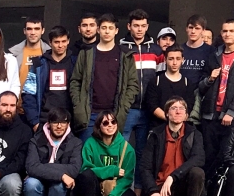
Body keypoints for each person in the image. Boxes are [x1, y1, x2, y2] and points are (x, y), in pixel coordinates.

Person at [195, 17, 234, 196]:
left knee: (229, 159)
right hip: (210, 116)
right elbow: (201, 85)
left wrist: (232, 112)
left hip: (232, 118)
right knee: (210, 159)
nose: (227, 34)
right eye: (224, 31)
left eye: (231, 31)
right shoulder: (214, 55)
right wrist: (210, 78)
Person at [141, 96, 207, 196]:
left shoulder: (194, 134)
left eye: (181, 109)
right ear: (166, 113)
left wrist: (173, 177)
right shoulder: (155, 135)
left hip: (183, 185)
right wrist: (153, 191)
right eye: (174, 108)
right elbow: (145, 167)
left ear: (186, 115)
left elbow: (199, 158)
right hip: (161, 187)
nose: (178, 112)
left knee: (197, 172)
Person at [68, 14, 139, 135]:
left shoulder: (125, 55)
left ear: (116, 31)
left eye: (110, 28)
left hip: (115, 115)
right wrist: (79, 106)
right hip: (89, 114)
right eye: (104, 27)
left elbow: (133, 84)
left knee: (111, 153)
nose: (107, 31)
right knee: (88, 152)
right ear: (98, 30)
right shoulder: (86, 53)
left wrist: (124, 107)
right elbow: (75, 81)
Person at [77, 112, 138, 196]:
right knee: (86, 176)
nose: (110, 125)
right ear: (99, 126)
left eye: (113, 122)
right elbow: (85, 169)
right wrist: (111, 170)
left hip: (115, 187)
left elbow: (127, 178)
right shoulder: (90, 143)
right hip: (95, 187)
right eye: (105, 123)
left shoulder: (126, 148)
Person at [23, 107, 82, 196]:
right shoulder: (35, 141)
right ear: (49, 124)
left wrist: (44, 168)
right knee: (31, 183)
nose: (59, 126)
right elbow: (31, 167)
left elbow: (74, 169)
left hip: (56, 183)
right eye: (55, 122)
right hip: (38, 180)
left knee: (59, 184)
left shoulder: (75, 143)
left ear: (68, 124)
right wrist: (61, 175)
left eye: (63, 122)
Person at [121, 8, 160, 153]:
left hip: (148, 109)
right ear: (129, 26)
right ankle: (121, 177)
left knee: (143, 151)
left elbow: (160, 79)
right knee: (121, 150)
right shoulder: (121, 49)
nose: (140, 29)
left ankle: (139, 177)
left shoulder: (156, 51)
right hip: (127, 109)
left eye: (143, 26)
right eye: (136, 26)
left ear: (147, 27)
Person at [24, 26, 74, 128]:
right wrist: (35, 122)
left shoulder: (76, 62)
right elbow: (28, 93)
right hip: (44, 120)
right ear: (50, 43)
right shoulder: (38, 63)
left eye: (63, 41)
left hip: (69, 121)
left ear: (68, 41)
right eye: (56, 42)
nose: (60, 45)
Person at [145, 46, 191, 122]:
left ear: (183, 60)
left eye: (178, 59)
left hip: (181, 127)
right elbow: (152, 105)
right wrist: (170, 119)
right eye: (171, 59)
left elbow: (189, 106)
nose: (175, 63)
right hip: (158, 127)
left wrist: (178, 120)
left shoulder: (187, 83)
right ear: (165, 60)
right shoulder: (156, 81)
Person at [7, 18, 45, 100]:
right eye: (29, 29)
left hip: (41, 106)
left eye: (37, 29)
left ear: (43, 31)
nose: (33, 32)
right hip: (15, 106)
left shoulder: (49, 53)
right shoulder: (12, 54)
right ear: (24, 31)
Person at [177, 16, 214, 90]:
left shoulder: (212, 51)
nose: (193, 31)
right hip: (180, 92)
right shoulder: (178, 50)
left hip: (201, 94)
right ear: (186, 29)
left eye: (197, 28)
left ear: (203, 31)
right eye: (190, 27)